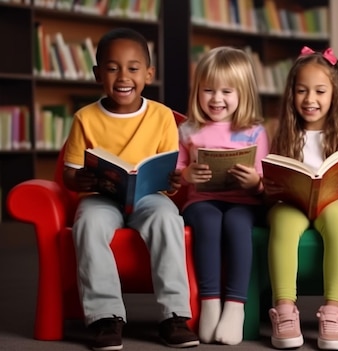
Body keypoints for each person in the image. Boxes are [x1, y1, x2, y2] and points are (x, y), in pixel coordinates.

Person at [61, 28, 199, 350]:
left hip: (150, 197)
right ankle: (105, 317)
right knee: (89, 224)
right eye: (112, 68)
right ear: (98, 74)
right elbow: (69, 173)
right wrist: (77, 179)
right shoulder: (85, 118)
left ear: (149, 74)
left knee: (169, 220)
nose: (123, 76)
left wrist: (174, 179)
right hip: (101, 197)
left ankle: (174, 316)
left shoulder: (163, 117)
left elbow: (171, 168)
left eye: (133, 68)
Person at [263, 46, 338, 351]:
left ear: (335, 95)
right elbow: (267, 191)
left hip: (336, 205)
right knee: (284, 223)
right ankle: (284, 309)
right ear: (291, 94)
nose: (310, 100)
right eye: (302, 91)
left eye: (320, 91)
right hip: (289, 205)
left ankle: (333, 311)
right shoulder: (278, 133)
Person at [176, 46, 269, 345]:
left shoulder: (254, 130)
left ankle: (235, 306)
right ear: (197, 92)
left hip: (243, 202)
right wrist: (187, 174)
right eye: (208, 90)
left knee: (237, 224)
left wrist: (254, 182)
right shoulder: (189, 129)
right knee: (208, 221)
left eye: (227, 91)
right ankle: (210, 302)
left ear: (242, 93)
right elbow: (175, 173)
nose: (216, 99)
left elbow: (264, 178)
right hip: (200, 202)